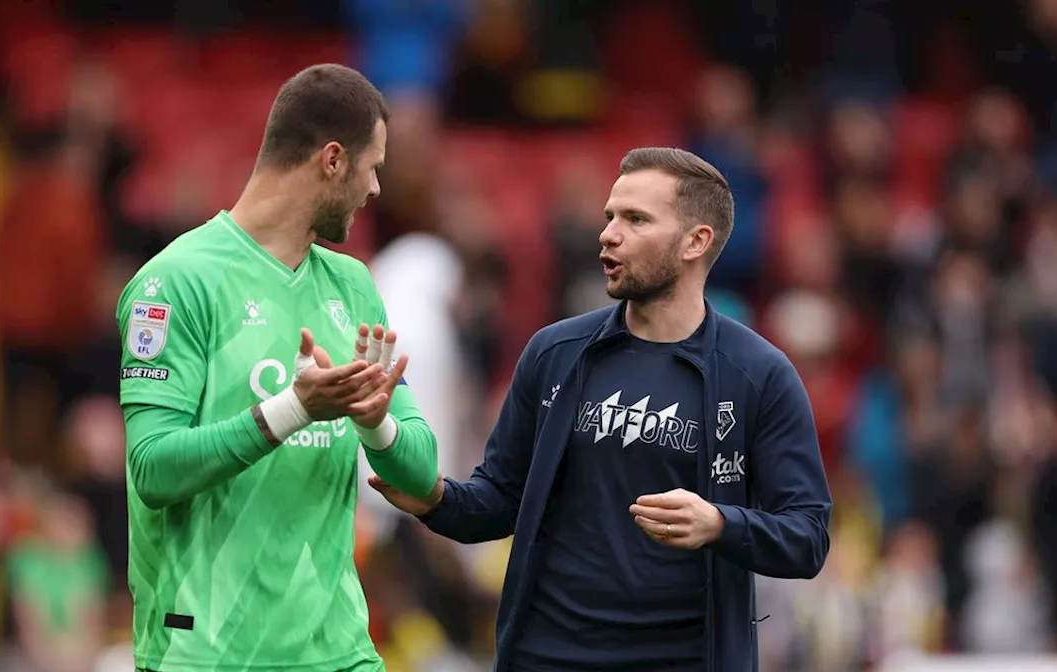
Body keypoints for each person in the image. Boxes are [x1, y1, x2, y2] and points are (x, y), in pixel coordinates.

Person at [370, 147, 833, 671]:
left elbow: (807, 538)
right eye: (610, 216)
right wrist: (433, 497)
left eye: (635, 219)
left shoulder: (760, 375)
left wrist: (720, 523)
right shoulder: (552, 354)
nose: (608, 233)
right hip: (548, 658)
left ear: (695, 242)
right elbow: (499, 501)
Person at [117, 64, 439, 672]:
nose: (376, 190)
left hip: (340, 651)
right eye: (373, 168)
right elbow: (152, 467)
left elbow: (422, 473)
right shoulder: (176, 283)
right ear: (333, 160)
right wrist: (293, 409)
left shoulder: (353, 284)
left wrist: (376, 424)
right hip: (205, 652)